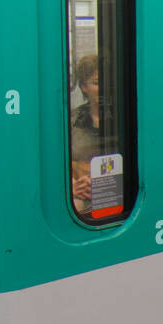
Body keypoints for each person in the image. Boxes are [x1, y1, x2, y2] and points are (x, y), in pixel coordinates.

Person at [70, 53, 107, 214]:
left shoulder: (124, 119)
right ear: (84, 87)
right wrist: (72, 185)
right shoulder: (72, 120)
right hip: (81, 191)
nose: (104, 88)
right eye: (97, 83)